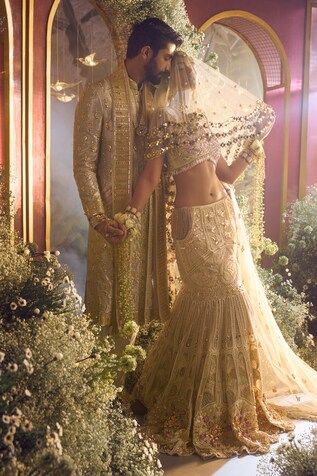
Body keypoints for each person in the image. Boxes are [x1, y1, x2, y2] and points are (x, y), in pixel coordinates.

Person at [119, 51, 317, 459]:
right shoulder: (161, 121)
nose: (192, 81)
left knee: (227, 298)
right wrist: (131, 212)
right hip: (193, 224)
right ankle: (200, 407)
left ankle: (232, 405)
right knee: (215, 299)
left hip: (223, 218)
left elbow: (224, 177)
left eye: (193, 75)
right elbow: (152, 176)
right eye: (184, 74)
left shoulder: (205, 122)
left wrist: (250, 151)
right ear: (173, 79)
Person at [73, 18, 182, 335]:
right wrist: (99, 219)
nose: (167, 67)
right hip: (110, 224)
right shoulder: (98, 96)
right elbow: (83, 165)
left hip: (150, 225)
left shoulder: (157, 101)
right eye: (166, 57)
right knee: (107, 315)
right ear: (146, 53)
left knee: (148, 312)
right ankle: (108, 384)